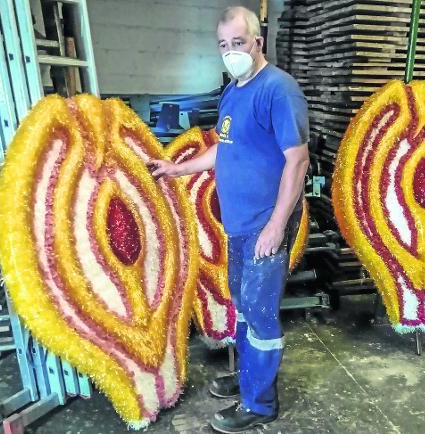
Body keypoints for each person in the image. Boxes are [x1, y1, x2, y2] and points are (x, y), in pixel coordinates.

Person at [148, 6, 309, 433]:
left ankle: (259, 405)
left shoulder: (279, 90)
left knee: (259, 312)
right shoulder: (233, 91)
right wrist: (177, 169)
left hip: (264, 223)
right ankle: (248, 378)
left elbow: (297, 161)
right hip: (238, 224)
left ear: (258, 41)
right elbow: (225, 146)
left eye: (239, 42)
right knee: (242, 305)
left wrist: (277, 226)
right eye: (223, 45)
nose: (231, 51)